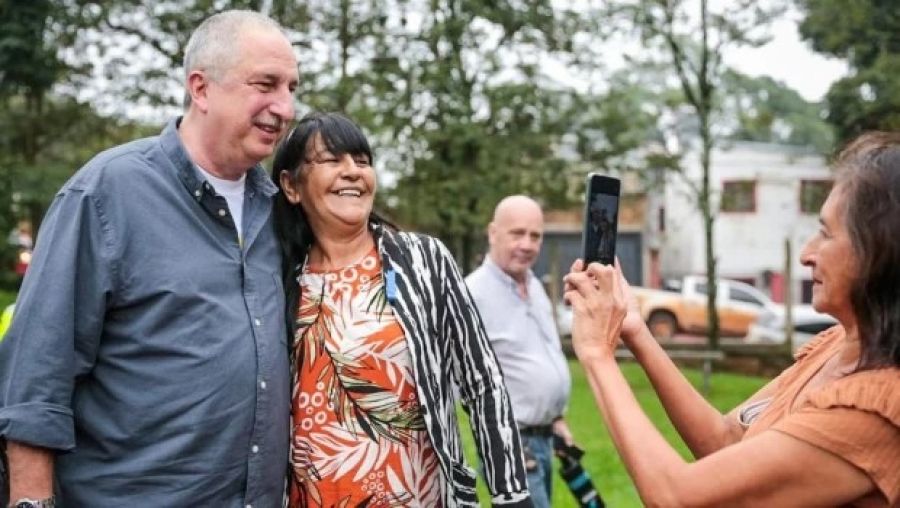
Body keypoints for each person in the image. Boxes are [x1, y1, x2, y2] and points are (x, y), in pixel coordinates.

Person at [0, 10, 299, 507]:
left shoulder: (280, 213)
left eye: (291, 88)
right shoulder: (106, 194)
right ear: (201, 89)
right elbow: (36, 377)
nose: (285, 107)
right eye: (265, 84)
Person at [564, 132, 900, 506]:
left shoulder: (876, 409)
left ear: (879, 254)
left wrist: (596, 354)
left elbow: (677, 497)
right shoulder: (837, 346)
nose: (807, 254)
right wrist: (636, 330)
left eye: (825, 234)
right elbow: (725, 440)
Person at [271, 112, 532, 507]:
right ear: (291, 186)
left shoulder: (422, 260)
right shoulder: (279, 278)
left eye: (362, 160)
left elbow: (482, 380)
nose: (353, 171)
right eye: (332, 160)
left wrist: (510, 493)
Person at [465, 196, 584, 508]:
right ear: (493, 233)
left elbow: (543, 353)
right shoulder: (472, 294)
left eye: (535, 236)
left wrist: (556, 418)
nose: (527, 245)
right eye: (517, 233)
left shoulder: (535, 285)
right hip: (511, 445)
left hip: (543, 438)